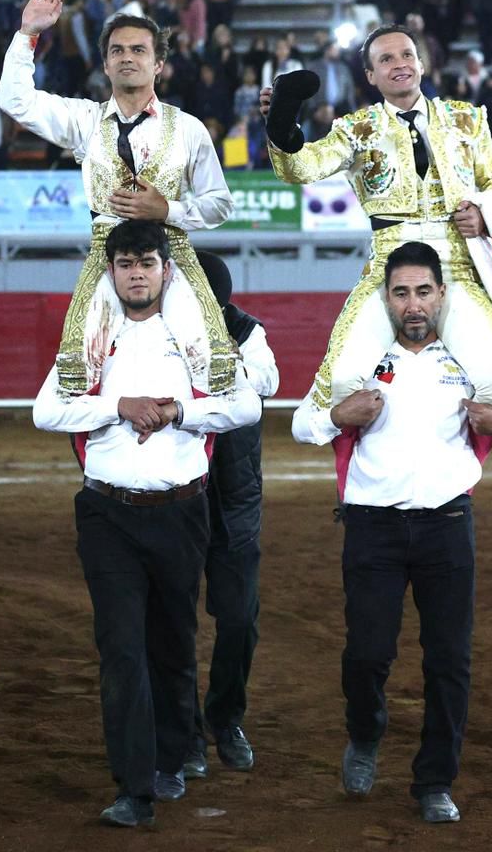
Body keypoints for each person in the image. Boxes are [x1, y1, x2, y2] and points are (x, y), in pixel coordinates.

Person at [292, 241, 492, 821]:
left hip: (446, 526)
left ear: (442, 295)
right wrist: (337, 416)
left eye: (424, 291)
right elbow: (302, 422)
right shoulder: (361, 360)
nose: (413, 304)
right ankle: (365, 733)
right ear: (387, 299)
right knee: (367, 654)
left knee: (449, 660)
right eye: (401, 293)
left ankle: (435, 782)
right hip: (372, 529)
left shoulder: (470, 361)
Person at [33, 220, 262, 829]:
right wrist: (119, 407)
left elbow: (245, 405)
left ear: (167, 269)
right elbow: (45, 410)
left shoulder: (193, 337)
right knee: (121, 649)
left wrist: (180, 411)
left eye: (147, 263)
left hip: (181, 513)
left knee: (172, 642)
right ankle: (134, 787)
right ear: (110, 272)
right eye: (126, 264)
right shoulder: (94, 335)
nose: (137, 273)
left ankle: (173, 755)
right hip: (107, 515)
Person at [260, 24, 492, 414]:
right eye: (386, 59)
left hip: (455, 267)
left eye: (407, 55)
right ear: (371, 76)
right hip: (388, 271)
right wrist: (281, 127)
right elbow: (302, 168)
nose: (400, 64)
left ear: (422, 64)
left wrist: (483, 213)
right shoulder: (356, 129)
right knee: (340, 381)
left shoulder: (467, 119)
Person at [0, 0, 238, 397]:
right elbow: (16, 101)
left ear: (158, 64)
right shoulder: (84, 120)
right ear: (106, 66)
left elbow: (220, 205)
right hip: (107, 255)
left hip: (172, 253)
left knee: (215, 362)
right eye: (117, 51)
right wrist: (28, 34)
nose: (127, 57)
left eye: (138, 50)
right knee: (76, 365)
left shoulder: (188, 129)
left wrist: (167, 210)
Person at [184, 251, 279, 779]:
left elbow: (267, 380)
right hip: (178, 496)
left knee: (239, 619)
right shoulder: (156, 335)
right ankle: (183, 731)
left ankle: (225, 719)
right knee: (172, 620)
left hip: (236, 498)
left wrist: (219, 355)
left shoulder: (245, 331)